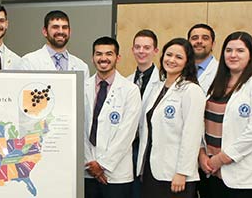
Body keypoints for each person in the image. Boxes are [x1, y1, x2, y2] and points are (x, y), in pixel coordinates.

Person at [198, 31, 252, 197]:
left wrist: (219, 159)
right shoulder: (216, 83)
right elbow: (202, 123)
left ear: (250, 55)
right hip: (212, 173)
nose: (233, 55)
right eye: (228, 50)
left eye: (240, 51)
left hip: (245, 178)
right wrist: (202, 153)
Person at [137, 38, 205, 197]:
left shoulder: (191, 90)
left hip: (175, 174)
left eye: (179, 57)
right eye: (168, 55)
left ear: (187, 62)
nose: (172, 60)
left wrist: (182, 172)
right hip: (151, 170)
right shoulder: (158, 87)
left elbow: (192, 135)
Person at [83, 36, 141, 198]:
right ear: (93, 58)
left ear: (118, 57)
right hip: (88, 170)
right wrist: (91, 164)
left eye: (109, 54)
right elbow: (79, 129)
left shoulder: (130, 90)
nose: (103, 58)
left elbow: (127, 133)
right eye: (98, 54)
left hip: (116, 173)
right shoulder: (82, 86)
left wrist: (103, 165)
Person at [126, 29, 161, 198]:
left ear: (155, 51)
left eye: (147, 47)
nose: (141, 51)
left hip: (151, 147)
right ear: (132, 49)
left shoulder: (162, 81)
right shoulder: (126, 81)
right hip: (128, 146)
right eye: (138, 47)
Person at [17, 10, 90, 77]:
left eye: (64, 27)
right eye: (55, 27)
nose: (60, 31)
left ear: (70, 32)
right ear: (45, 32)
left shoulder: (82, 67)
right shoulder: (29, 62)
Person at [188, 24, 218, 92]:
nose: (199, 41)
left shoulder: (221, 71)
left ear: (213, 44)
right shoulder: (178, 69)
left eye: (205, 38)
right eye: (195, 38)